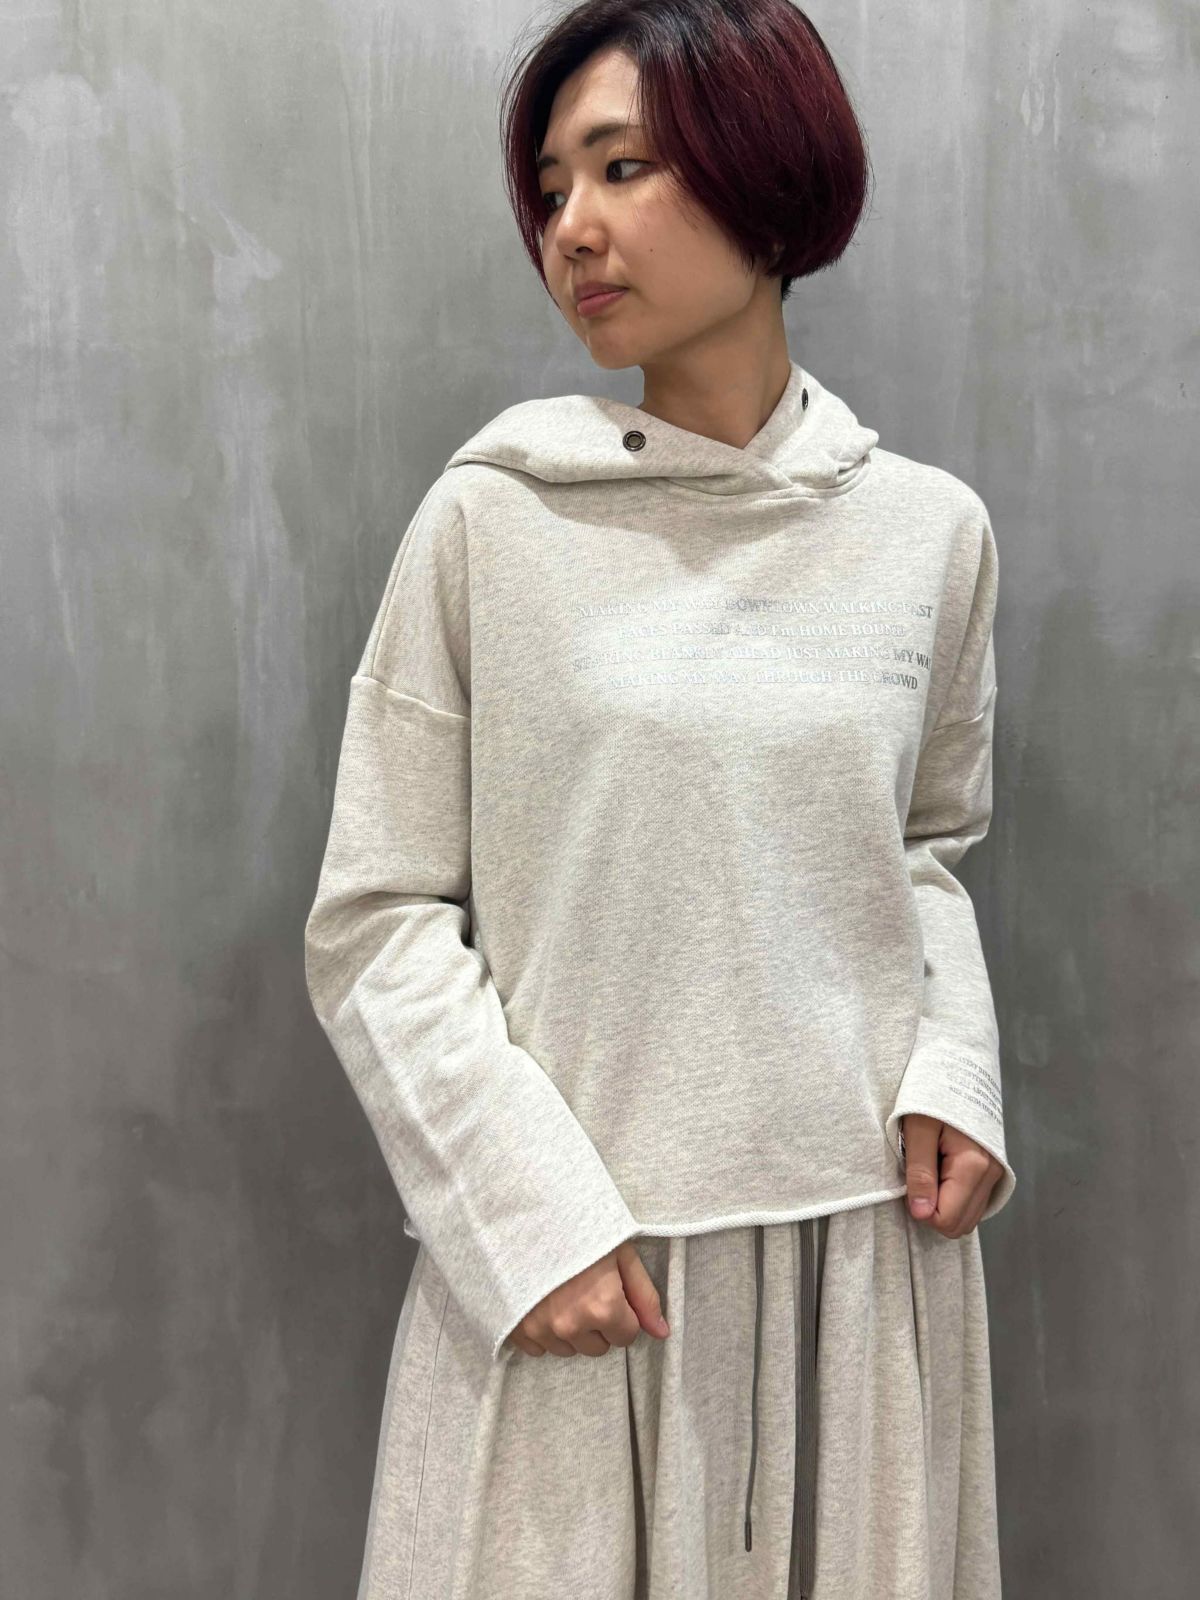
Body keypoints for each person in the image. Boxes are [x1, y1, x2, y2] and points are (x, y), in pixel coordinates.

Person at [302, 2, 1016, 1595]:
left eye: (622, 167)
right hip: (586, 1267)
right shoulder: (492, 523)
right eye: (553, 187)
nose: (572, 226)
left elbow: (923, 850)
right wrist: (522, 1215)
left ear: (768, 173)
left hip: (863, 1268)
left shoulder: (930, 535)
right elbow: (377, 915)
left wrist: (956, 1071)